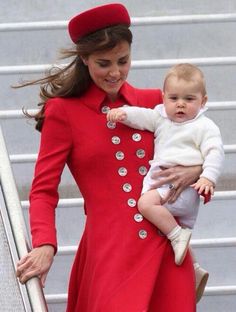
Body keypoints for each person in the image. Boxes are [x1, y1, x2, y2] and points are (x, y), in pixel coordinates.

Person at [15, 4, 203, 311]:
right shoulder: (63, 112)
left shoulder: (155, 102)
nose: (115, 72)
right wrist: (45, 244)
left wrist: (195, 169)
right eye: (103, 63)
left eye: (123, 61)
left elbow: (196, 146)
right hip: (109, 253)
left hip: (165, 248)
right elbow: (43, 190)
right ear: (85, 58)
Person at [107, 63, 224, 299]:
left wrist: (207, 176)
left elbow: (215, 151)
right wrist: (124, 113)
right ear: (163, 98)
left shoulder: (204, 126)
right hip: (166, 185)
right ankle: (193, 266)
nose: (180, 104)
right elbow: (144, 116)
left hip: (180, 189)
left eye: (189, 99)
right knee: (154, 219)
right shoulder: (162, 118)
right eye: (174, 98)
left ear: (203, 101)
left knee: (146, 205)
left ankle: (177, 236)